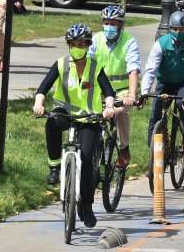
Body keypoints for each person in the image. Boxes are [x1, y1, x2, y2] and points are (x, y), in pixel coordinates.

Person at [33, 24, 115, 228]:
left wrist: (109, 108)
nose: (76, 47)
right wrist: (39, 103)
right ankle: (54, 167)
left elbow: (108, 91)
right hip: (65, 112)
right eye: (73, 44)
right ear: (68, 45)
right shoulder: (61, 64)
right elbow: (44, 87)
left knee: (87, 161)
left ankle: (86, 207)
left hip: (89, 118)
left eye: (81, 44)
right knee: (52, 123)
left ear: (87, 46)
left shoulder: (95, 66)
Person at [87, 5, 141, 169]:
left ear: (120, 25)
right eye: (106, 22)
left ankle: (123, 148)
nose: (109, 26)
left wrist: (131, 96)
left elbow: (133, 70)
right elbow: (86, 63)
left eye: (113, 23)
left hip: (121, 91)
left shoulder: (129, 41)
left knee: (119, 110)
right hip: (99, 89)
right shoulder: (96, 39)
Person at [141, 10, 184, 150]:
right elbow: (150, 70)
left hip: (182, 83)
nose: (178, 32)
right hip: (164, 82)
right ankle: (153, 155)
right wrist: (144, 93)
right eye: (174, 29)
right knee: (155, 115)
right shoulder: (161, 43)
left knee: (182, 104)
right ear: (169, 28)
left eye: (181, 29)